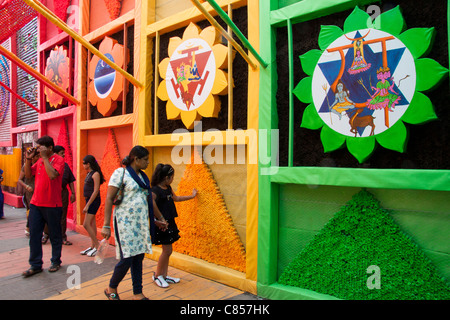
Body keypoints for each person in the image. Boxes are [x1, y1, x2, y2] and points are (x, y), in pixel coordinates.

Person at [102, 146, 167, 300]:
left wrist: (158, 220)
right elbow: (109, 198)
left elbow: (147, 201)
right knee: (127, 259)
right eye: (145, 159)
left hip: (141, 225)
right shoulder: (120, 173)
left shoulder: (144, 177)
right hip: (125, 225)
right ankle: (111, 287)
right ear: (136, 159)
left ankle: (137, 293)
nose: (147, 162)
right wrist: (106, 225)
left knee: (138, 258)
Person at [22, 135, 65, 277]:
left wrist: (46, 158)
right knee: (34, 235)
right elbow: (28, 175)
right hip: (36, 203)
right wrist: (28, 159)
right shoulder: (39, 160)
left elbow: (53, 175)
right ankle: (35, 265)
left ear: (50, 148)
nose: (38, 150)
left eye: (41, 147)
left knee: (54, 235)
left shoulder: (58, 160)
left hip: (53, 204)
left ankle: (55, 261)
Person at [151, 163, 197, 288]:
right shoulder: (155, 190)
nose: (172, 179)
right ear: (166, 177)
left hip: (170, 221)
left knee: (168, 251)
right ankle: (157, 276)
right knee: (167, 250)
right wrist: (160, 218)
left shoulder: (168, 188)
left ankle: (163, 275)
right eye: (172, 177)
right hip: (162, 224)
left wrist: (192, 196)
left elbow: (176, 198)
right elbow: (150, 203)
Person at [80, 155, 105, 257]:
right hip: (88, 200)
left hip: (93, 201)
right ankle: (93, 246)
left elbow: (95, 191)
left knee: (86, 224)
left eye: (84, 163)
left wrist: (87, 205)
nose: (83, 165)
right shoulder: (89, 173)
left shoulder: (95, 174)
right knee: (92, 224)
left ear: (88, 164)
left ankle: (98, 245)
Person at [54, 145, 76, 245]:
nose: (64, 155)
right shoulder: (50, 164)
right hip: (52, 192)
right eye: (62, 153)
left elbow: (71, 180)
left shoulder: (66, 165)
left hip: (63, 192)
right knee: (48, 214)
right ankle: (46, 234)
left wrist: (73, 193)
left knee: (63, 215)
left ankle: (63, 236)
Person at [17, 151, 40, 235]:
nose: (38, 158)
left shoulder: (40, 165)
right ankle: (29, 227)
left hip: (39, 191)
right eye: (36, 156)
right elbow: (20, 179)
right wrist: (26, 186)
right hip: (30, 192)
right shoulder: (26, 166)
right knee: (31, 211)